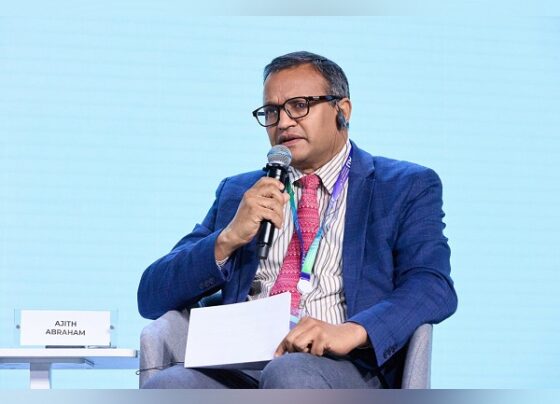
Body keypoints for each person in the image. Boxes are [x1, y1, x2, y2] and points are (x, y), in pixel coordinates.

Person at [137, 51, 457, 389]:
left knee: (289, 373)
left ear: (342, 111)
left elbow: (432, 284)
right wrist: (227, 239)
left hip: (344, 367)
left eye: (300, 105)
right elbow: (151, 296)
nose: (284, 122)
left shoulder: (403, 186)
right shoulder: (240, 192)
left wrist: (353, 331)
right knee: (167, 386)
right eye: (272, 111)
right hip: (242, 363)